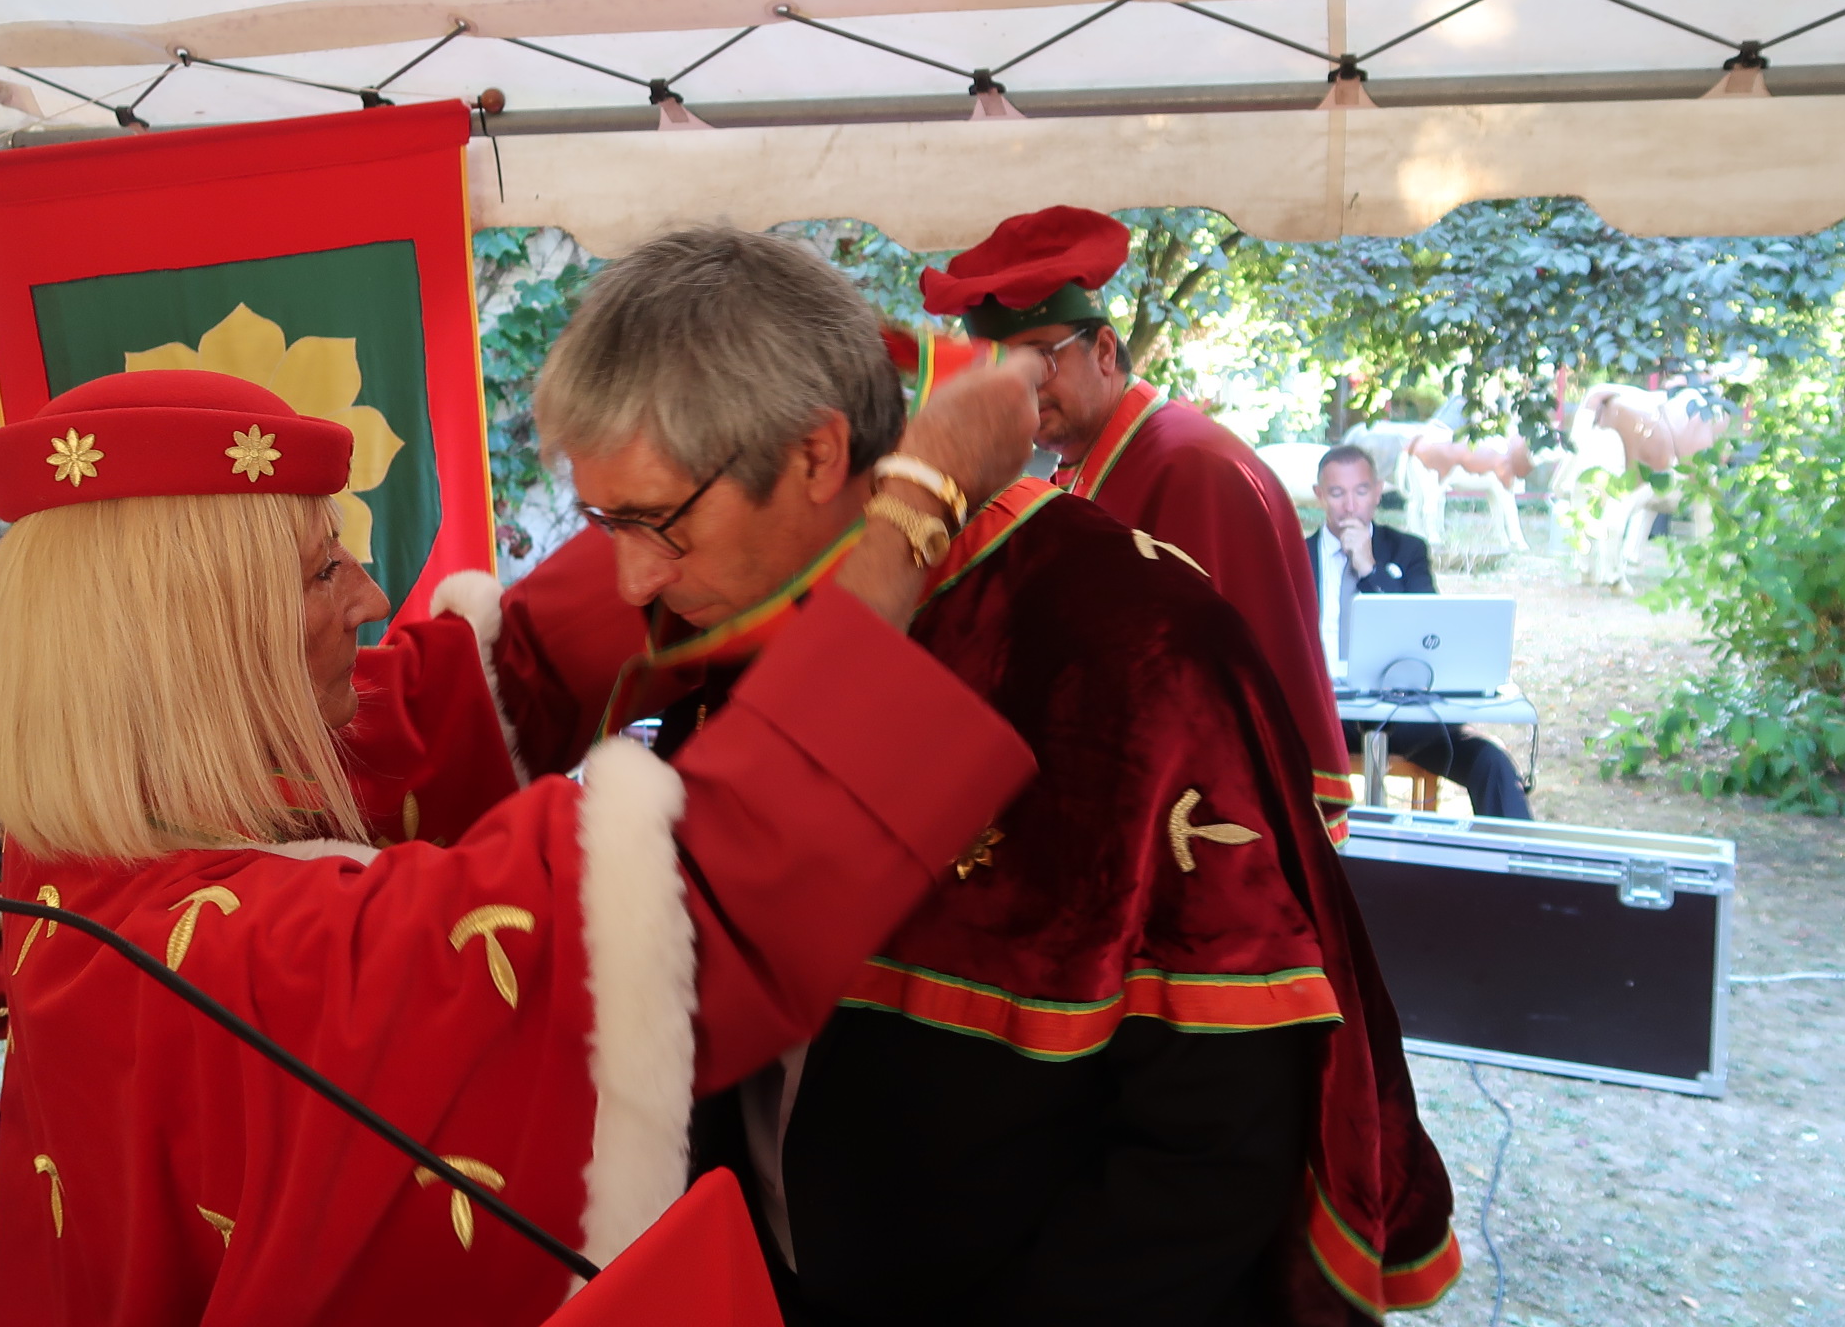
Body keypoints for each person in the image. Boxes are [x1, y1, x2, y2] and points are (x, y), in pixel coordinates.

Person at [495, 228, 1458, 1325]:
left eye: (654, 522)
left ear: (816, 457)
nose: (630, 579)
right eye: (605, 522)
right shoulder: (723, 616)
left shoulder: (1128, 641)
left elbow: (1217, 1133)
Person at [0, 366, 1042, 1326]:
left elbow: (465, 700)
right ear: (203, 648)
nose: (372, 597)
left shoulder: (90, 828)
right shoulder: (258, 959)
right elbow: (695, 902)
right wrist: (918, 503)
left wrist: (703, 510)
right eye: (324, 572)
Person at [919, 205, 1358, 838]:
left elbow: (1201, 703)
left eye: (1040, 360)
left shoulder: (1189, 467)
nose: (1021, 390)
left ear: (1103, 349)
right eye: (1000, 371)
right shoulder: (1087, 466)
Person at [1310, 444, 1533, 820]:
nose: (1350, 506)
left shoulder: (1408, 550)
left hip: (1404, 717)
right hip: (1321, 716)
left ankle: (1515, 856)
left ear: (1378, 492)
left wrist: (1370, 570)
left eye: (1360, 491)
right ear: (1319, 495)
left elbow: (1427, 631)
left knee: (1492, 764)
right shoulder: (1293, 556)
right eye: (1337, 493)